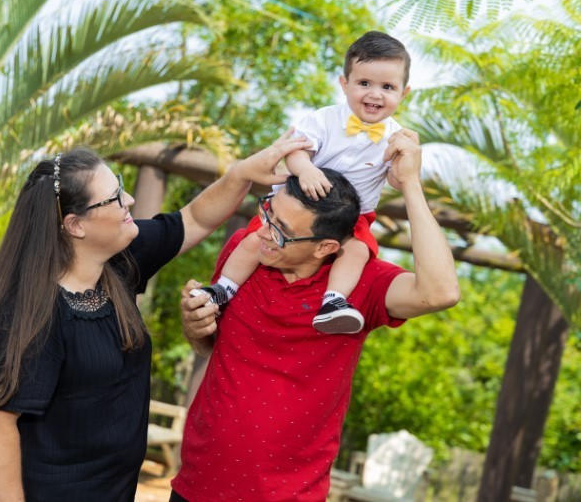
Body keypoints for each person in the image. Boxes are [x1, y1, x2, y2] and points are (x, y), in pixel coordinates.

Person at [0, 132, 311, 502]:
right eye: (114, 196)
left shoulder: (120, 262)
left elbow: (194, 219)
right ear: (75, 225)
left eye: (120, 185)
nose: (129, 199)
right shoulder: (27, 312)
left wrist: (242, 173)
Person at [171, 133, 460, 501]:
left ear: (325, 247)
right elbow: (208, 345)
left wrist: (411, 186)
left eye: (282, 231)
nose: (264, 233)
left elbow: (441, 292)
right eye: (268, 213)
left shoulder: (363, 284)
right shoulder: (244, 253)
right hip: (196, 483)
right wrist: (195, 326)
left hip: (289, 495)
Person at [196, 31, 412, 334]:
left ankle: (333, 301)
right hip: (297, 206)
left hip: (354, 216)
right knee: (254, 239)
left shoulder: (396, 137)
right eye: (364, 83)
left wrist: (402, 173)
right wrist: (306, 169)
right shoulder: (323, 119)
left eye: (387, 87)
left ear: (404, 93)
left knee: (357, 251)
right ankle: (223, 288)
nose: (375, 94)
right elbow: (295, 151)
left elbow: (394, 178)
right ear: (344, 84)